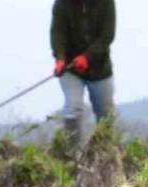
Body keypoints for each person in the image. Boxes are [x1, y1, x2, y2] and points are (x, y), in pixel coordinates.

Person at [50, 0, 117, 146]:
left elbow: (107, 36)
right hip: (70, 70)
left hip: (100, 70)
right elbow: (57, 34)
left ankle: (105, 152)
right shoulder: (61, 4)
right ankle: (73, 155)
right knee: (73, 108)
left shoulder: (107, 3)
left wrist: (87, 57)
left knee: (105, 114)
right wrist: (60, 58)